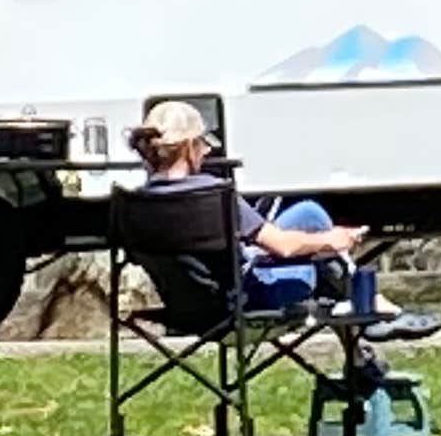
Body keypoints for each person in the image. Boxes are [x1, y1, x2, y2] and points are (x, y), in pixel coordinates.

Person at [132, 98, 365, 311]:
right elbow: (283, 246)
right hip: (239, 300)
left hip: (184, 307)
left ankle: (359, 308)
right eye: (202, 143)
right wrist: (332, 239)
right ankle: (363, 304)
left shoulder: (135, 204)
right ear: (189, 146)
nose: (207, 151)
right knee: (314, 268)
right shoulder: (213, 194)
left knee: (308, 213)